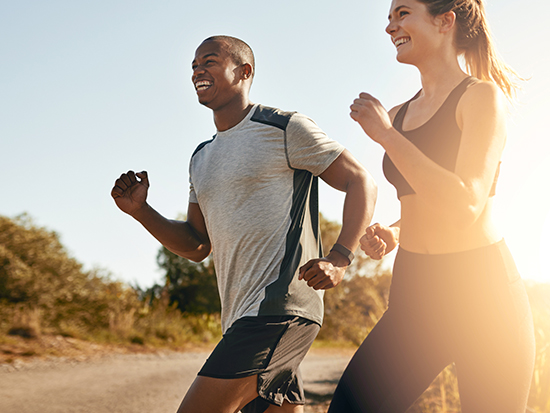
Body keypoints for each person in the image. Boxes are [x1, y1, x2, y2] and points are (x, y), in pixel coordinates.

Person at [111, 35, 377, 413]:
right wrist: (141, 212)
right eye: (194, 65)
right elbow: (197, 245)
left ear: (244, 71)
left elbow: (359, 180)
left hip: (279, 308)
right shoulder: (201, 158)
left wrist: (339, 257)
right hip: (240, 318)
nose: (198, 70)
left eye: (210, 61)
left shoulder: (285, 127)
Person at [327, 0, 536, 412]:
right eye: (388, 18)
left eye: (402, 13)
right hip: (417, 288)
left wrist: (386, 136)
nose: (390, 27)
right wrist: (396, 231)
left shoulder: (480, 98)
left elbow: (466, 204)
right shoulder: (401, 113)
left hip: (482, 292)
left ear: (445, 22)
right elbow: (425, 198)